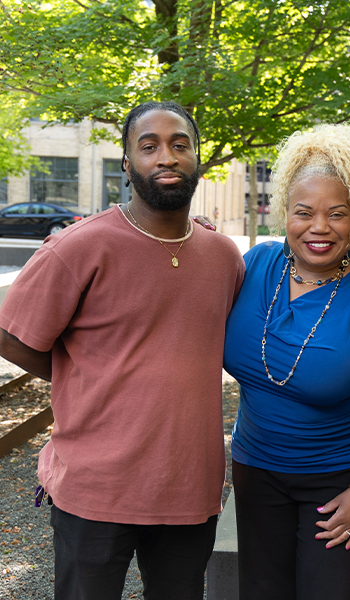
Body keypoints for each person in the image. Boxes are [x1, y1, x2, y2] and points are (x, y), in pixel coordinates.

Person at [0, 101, 245, 600]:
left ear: (198, 157)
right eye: (149, 146)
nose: (166, 157)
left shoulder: (223, 257)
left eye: (180, 144)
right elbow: (11, 336)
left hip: (188, 487)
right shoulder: (77, 247)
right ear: (128, 163)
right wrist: (83, 375)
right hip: (95, 489)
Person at [223, 124, 350, 600]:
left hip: (335, 481)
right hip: (254, 469)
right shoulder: (254, 265)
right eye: (303, 212)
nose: (319, 228)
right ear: (284, 211)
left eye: (337, 214)